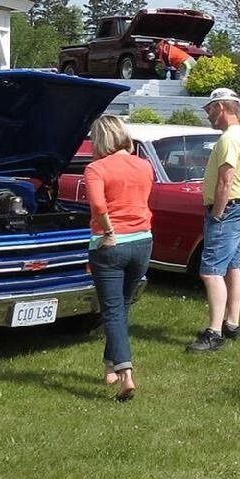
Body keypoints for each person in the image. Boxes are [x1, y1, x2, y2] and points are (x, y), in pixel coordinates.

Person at [83, 115, 154, 399]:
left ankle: (126, 374)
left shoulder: (96, 168)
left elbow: (99, 205)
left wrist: (109, 230)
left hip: (110, 244)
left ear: (101, 139)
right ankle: (110, 367)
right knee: (122, 307)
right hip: (143, 241)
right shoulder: (144, 165)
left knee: (111, 310)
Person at [187, 87, 240, 353]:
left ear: (221, 108)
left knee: (210, 271)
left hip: (228, 210)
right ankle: (232, 323)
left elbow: (226, 181)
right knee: (232, 266)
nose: (208, 115)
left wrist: (217, 213)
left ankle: (214, 332)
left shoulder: (228, 140)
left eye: (209, 109)